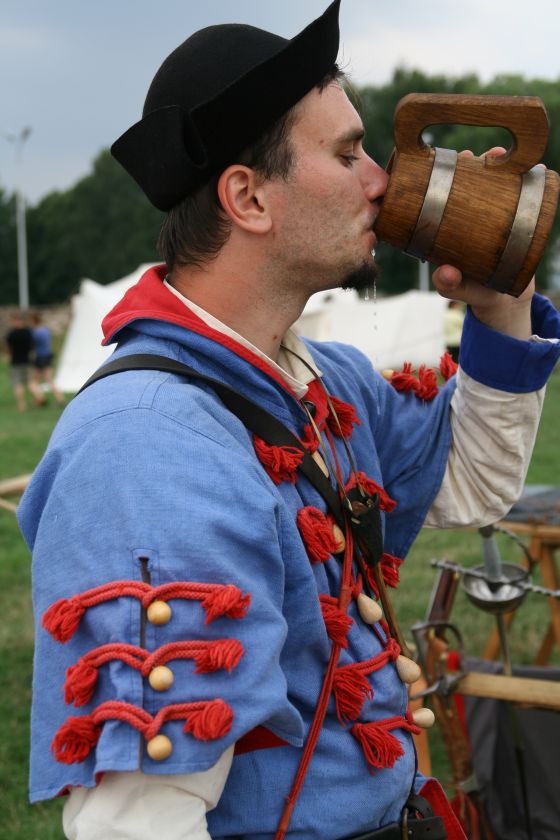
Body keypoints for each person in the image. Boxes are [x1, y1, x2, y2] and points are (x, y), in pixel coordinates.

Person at [17, 3, 560, 839]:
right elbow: (139, 823)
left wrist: (502, 303)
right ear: (248, 198)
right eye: (346, 154)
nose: (379, 181)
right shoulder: (148, 446)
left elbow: (471, 482)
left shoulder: (318, 379)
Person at [4, 312, 43, 411]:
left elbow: (8, 348)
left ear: (14, 321)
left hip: (16, 362)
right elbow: (32, 345)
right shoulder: (28, 332)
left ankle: (22, 405)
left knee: (17, 384)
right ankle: (40, 398)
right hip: (27, 361)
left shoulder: (11, 334)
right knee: (30, 382)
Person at [30, 313, 65, 406]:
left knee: (33, 381)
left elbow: (32, 345)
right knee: (49, 380)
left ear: (33, 321)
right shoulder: (46, 330)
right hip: (48, 356)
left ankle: (40, 398)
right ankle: (60, 398)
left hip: (40, 357)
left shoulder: (35, 332)